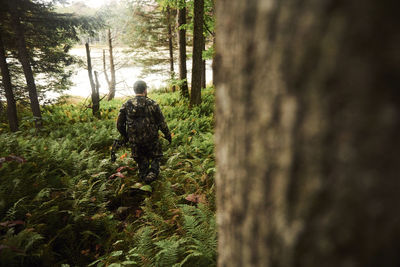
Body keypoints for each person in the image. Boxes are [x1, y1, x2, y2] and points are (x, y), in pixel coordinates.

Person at [117, 80, 171, 183]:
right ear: (145, 90)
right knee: (156, 157)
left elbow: (119, 125)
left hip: (135, 142)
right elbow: (162, 123)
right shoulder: (153, 104)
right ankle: (153, 175)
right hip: (152, 141)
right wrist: (168, 135)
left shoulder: (126, 105)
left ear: (134, 90)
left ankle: (144, 180)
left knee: (142, 163)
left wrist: (126, 136)